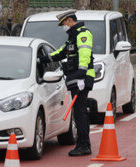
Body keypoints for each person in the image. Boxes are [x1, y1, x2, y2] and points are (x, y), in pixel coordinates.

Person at [37, 9, 95, 156]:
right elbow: (61, 53)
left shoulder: (82, 34)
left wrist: (81, 75)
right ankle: (83, 144)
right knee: (79, 112)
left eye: (64, 24)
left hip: (82, 77)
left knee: (80, 113)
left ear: (69, 21)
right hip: (76, 78)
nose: (64, 27)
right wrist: (41, 59)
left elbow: (84, 55)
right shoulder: (72, 37)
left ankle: (84, 145)